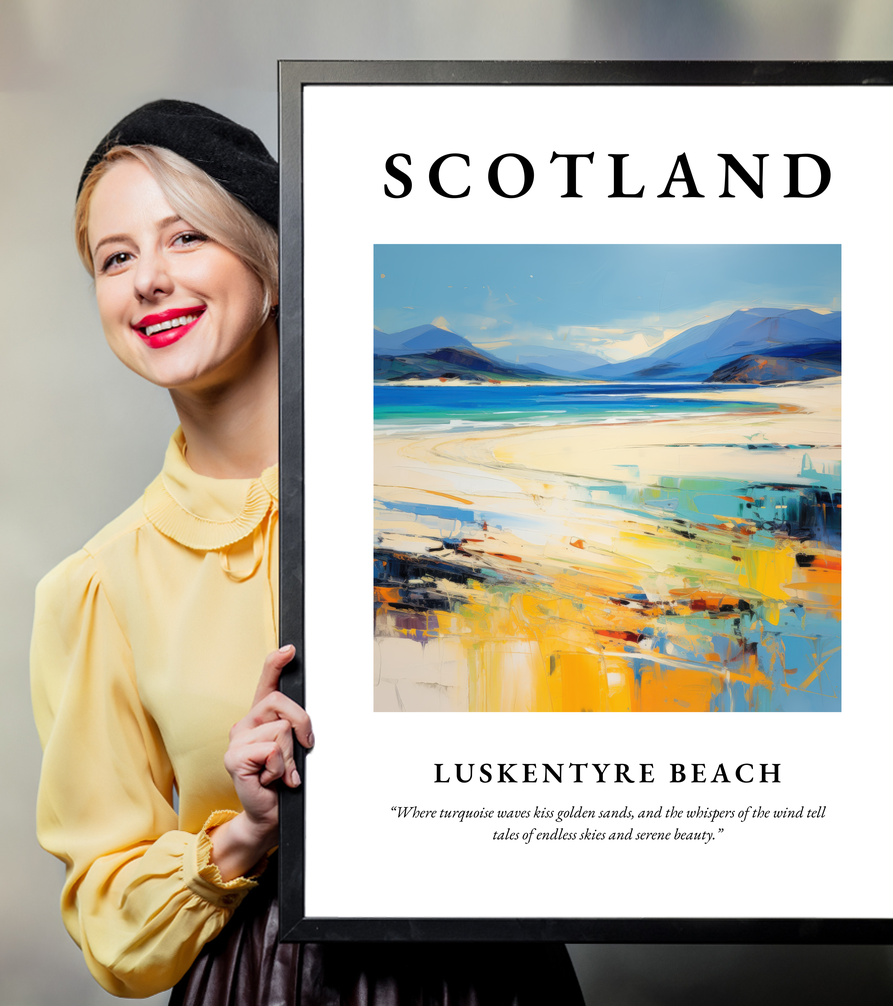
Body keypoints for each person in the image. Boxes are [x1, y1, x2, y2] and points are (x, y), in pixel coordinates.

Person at [30, 100, 585, 1004]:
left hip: (492, 973)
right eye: (116, 257)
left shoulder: (458, 498)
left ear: (273, 264)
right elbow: (110, 924)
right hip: (263, 982)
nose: (148, 281)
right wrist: (245, 832)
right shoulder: (97, 587)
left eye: (186, 239)